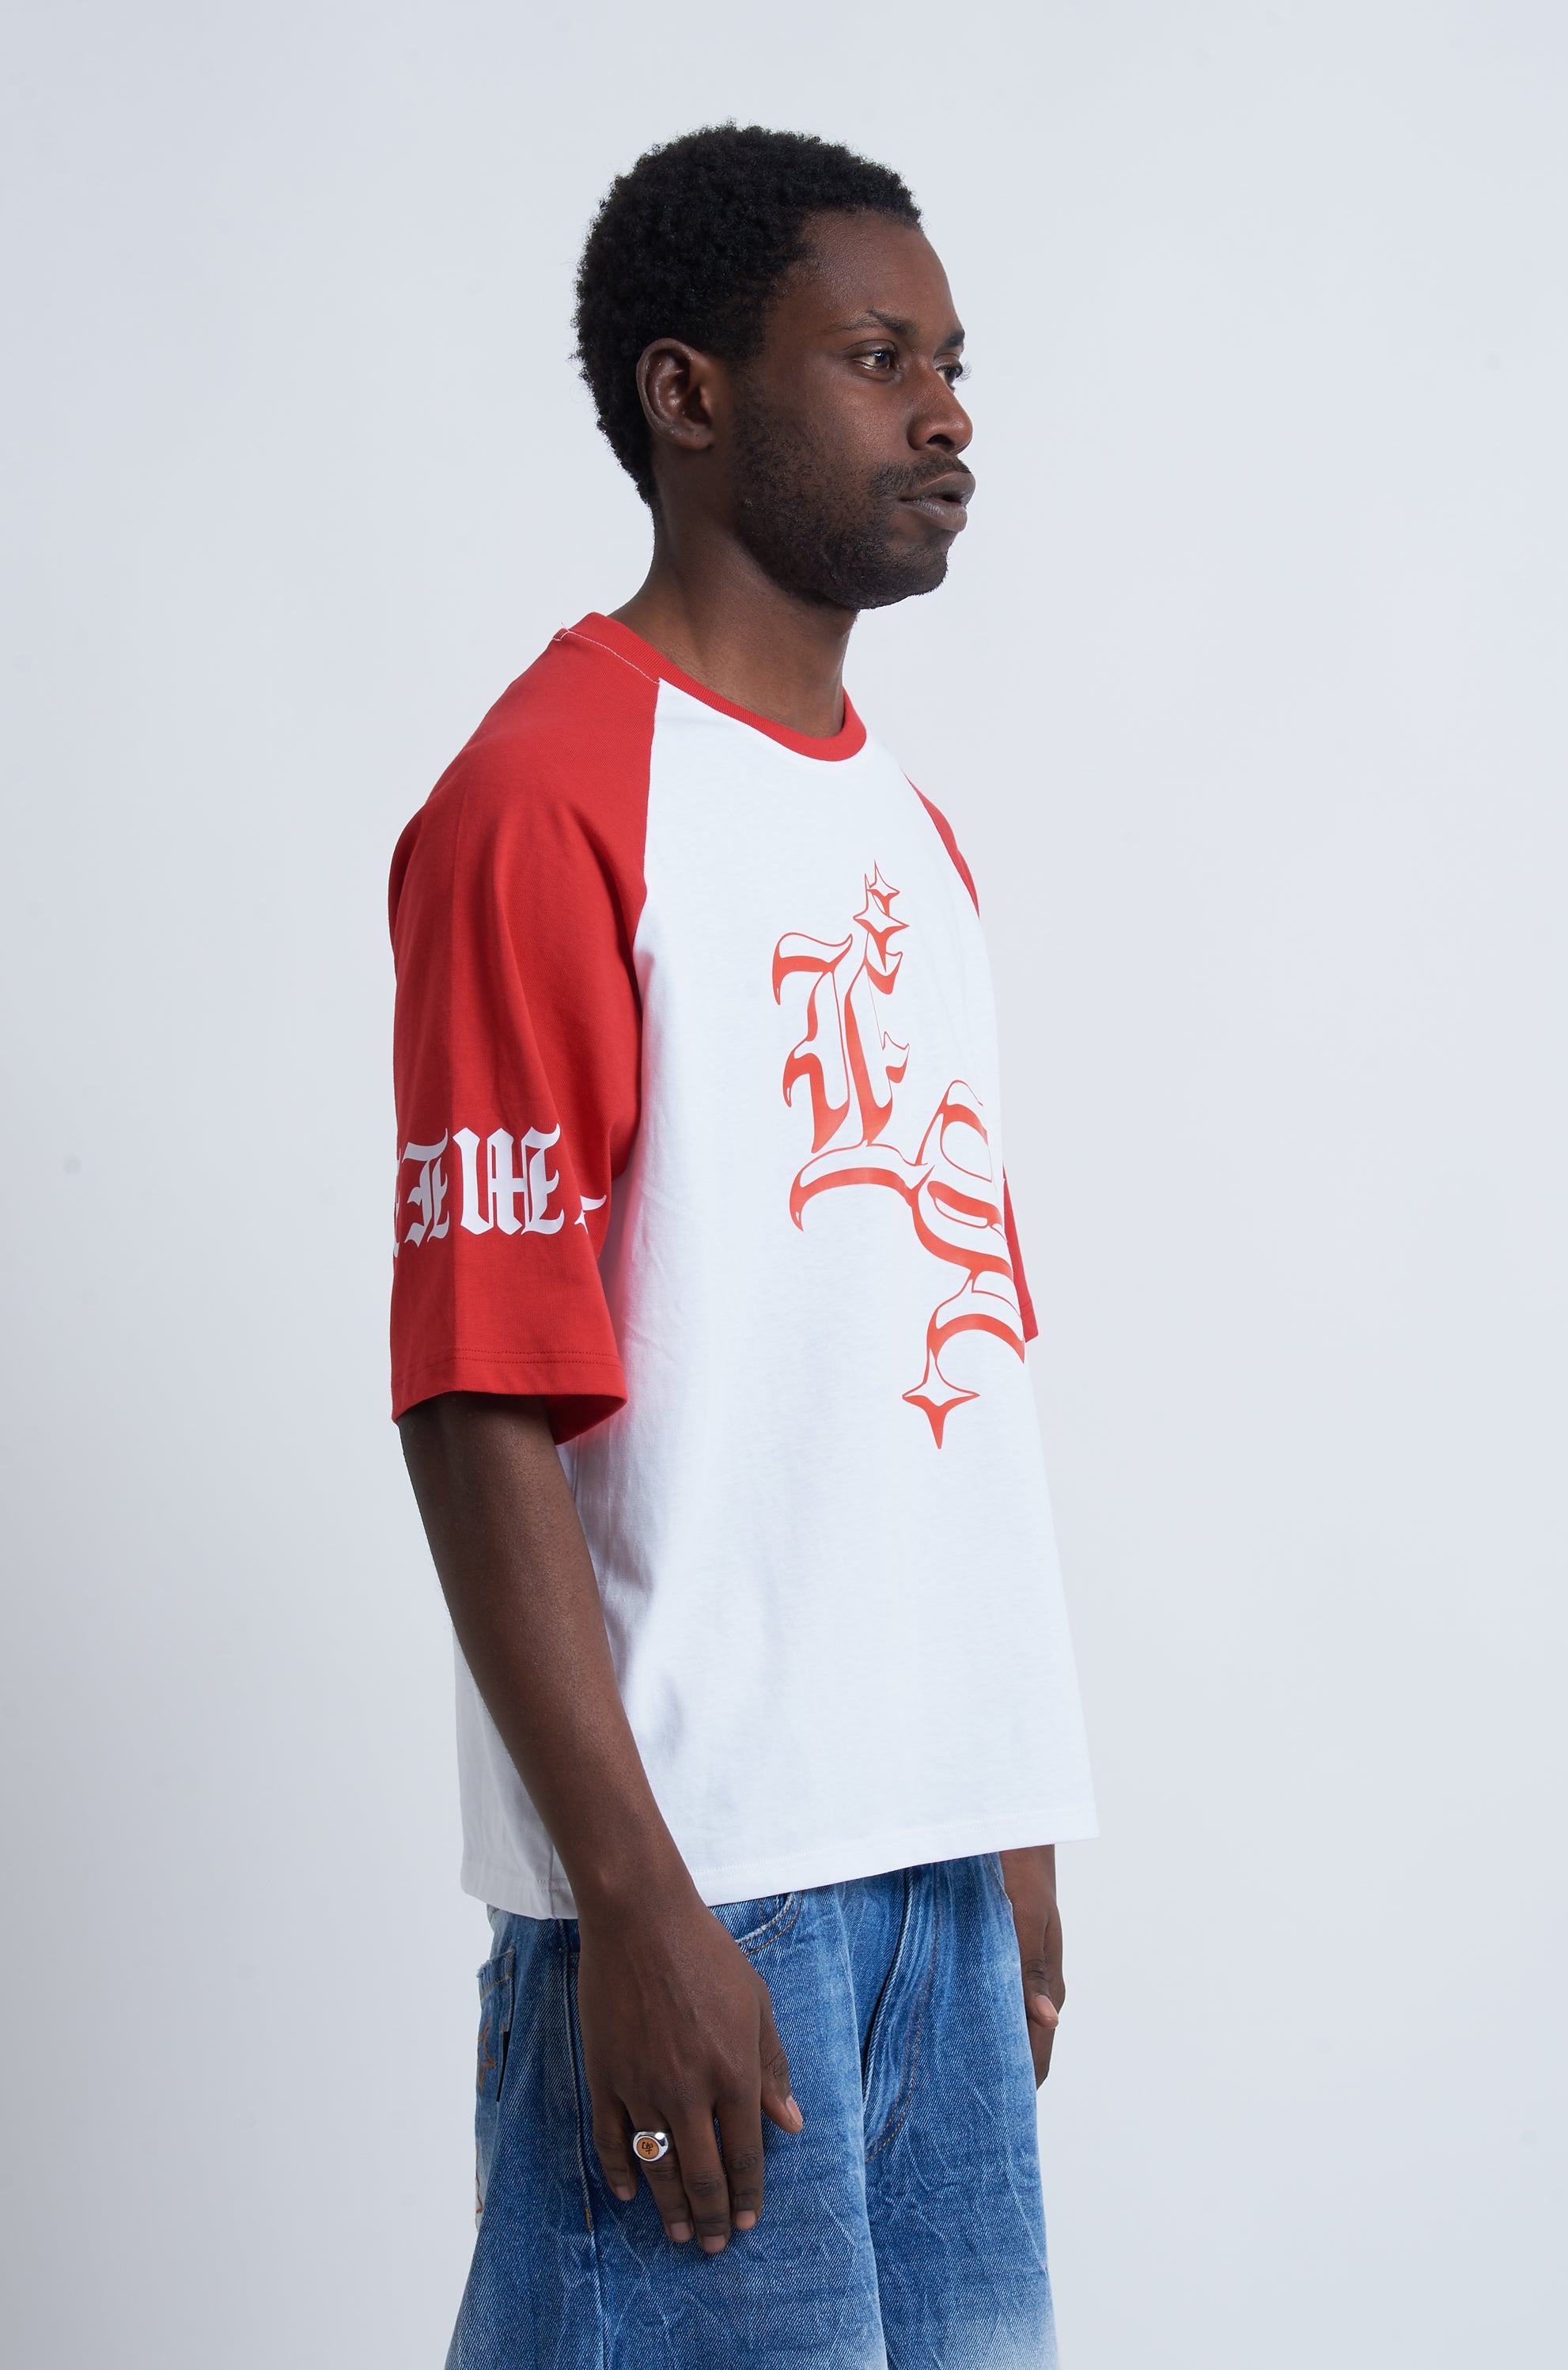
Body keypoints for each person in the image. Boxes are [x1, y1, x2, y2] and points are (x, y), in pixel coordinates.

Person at [390, 123, 1096, 2370]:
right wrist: (629, 1901)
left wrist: (999, 1803)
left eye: (956, 363)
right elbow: (480, 1382)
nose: (947, 414)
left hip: (934, 1890)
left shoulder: (911, 832)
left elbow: (935, 1350)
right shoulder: (547, 797)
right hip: (703, 1897)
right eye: (881, 358)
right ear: (687, 396)